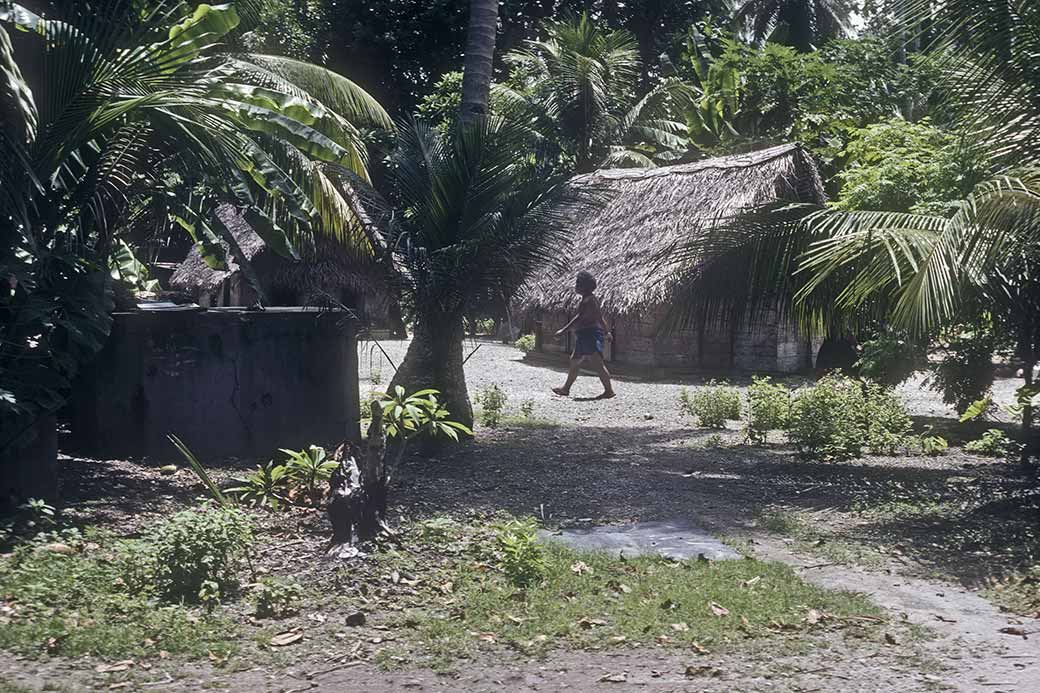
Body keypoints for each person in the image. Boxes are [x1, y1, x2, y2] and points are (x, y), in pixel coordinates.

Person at [552, 271, 616, 399]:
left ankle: (609, 391)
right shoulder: (587, 300)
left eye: (578, 284)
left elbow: (582, 318)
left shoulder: (590, 301)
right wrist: (606, 331)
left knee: (597, 364)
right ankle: (566, 389)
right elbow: (599, 317)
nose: (576, 286)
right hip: (584, 335)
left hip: (590, 335)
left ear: (584, 287)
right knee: (574, 361)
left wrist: (563, 330)